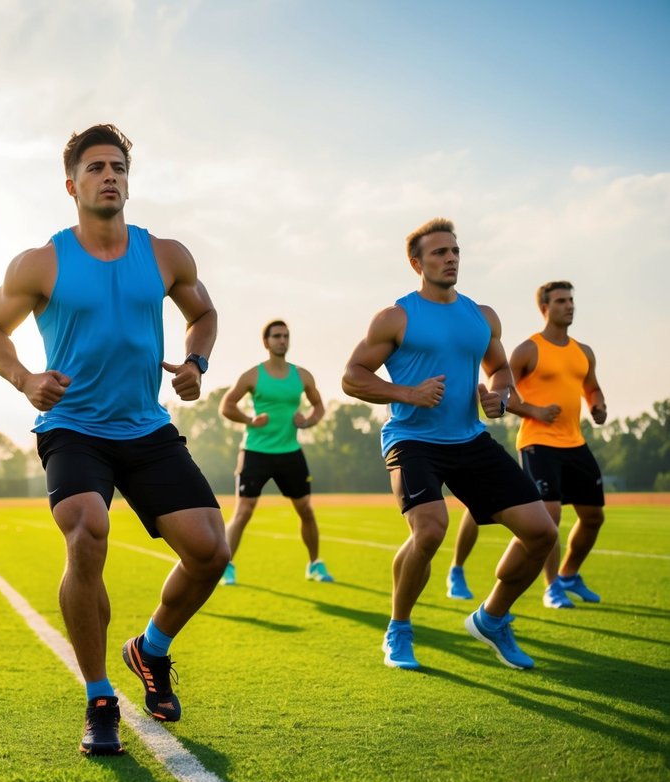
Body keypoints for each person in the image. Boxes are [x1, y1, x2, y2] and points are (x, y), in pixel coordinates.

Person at [0, 124, 230, 756]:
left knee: (210, 553)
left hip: (145, 426)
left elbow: (203, 314)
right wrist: (24, 378)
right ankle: (98, 697)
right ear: (72, 185)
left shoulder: (166, 255)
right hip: (73, 427)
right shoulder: (41, 263)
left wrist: (197, 364)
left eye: (117, 166)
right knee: (87, 528)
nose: (109, 175)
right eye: (95, 168)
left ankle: (150, 648)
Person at [342, 217, 558, 671]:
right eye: (439, 253)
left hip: (470, 439)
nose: (450, 259)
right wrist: (407, 393)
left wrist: (497, 396)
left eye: (455, 251)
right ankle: (399, 628)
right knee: (431, 529)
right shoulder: (396, 316)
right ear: (416, 262)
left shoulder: (481, 316)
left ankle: (492, 618)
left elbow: (500, 369)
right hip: (411, 438)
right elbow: (352, 376)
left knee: (542, 533)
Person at [446, 281, 607, 609]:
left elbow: (592, 387)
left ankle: (568, 575)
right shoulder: (528, 350)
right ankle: (551, 589)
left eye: (571, 300)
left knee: (593, 517)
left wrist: (597, 405)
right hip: (538, 442)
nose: (570, 306)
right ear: (545, 308)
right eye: (562, 301)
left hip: (575, 441)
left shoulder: (583, 352)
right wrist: (534, 410)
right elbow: (504, 389)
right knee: (548, 515)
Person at [220, 320, 329, 586]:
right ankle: (225, 566)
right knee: (243, 511)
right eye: (277, 336)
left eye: (286, 336)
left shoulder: (302, 376)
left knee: (306, 510)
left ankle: (314, 564)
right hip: (256, 451)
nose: (282, 340)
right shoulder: (252, 375)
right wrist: (249, 420)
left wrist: (309, 421)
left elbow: (319, 407)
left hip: (290, 452)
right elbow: (227, 406)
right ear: (266, 342)